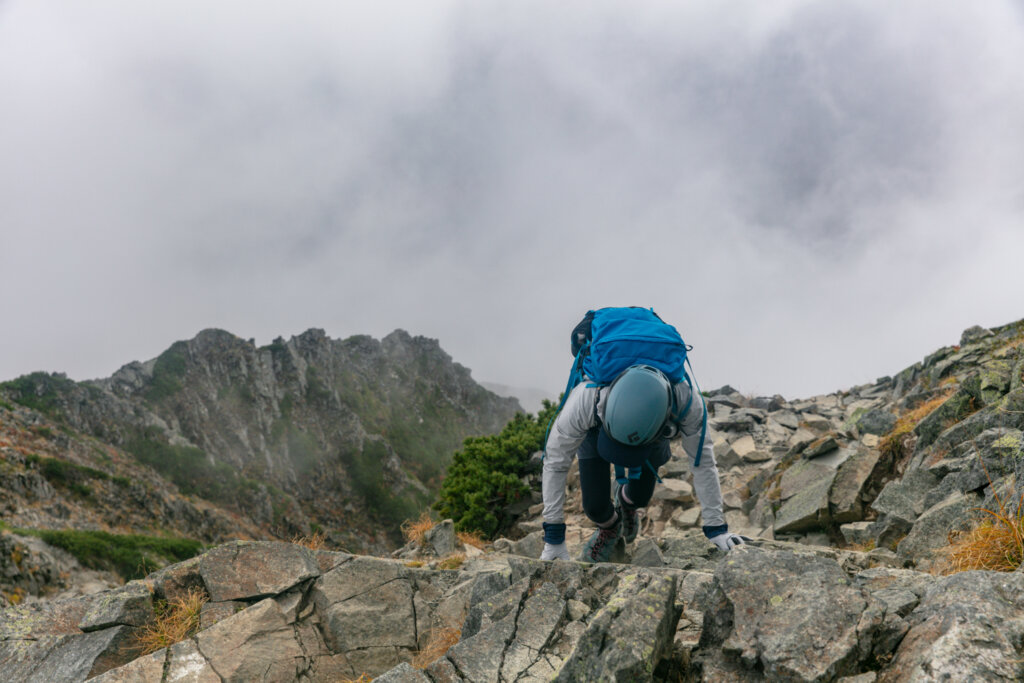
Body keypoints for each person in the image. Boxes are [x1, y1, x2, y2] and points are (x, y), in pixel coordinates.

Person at [540, 321, 744, 563]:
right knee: (594, 507)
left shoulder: (686, 402)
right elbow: (555, 462)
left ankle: (627, 503)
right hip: (598, 428)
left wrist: (716, 529)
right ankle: (610, 527)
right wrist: (553, 538)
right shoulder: (586, 400)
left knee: (640, 497)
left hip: (651, 429)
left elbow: (703, 463)